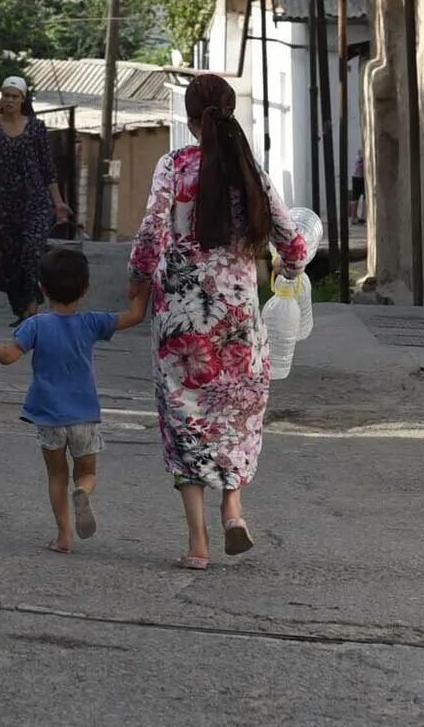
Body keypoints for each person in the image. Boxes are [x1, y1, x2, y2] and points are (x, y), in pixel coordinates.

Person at [127, 73, 308, 570]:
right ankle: (233, 509)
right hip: (238, 324)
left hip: (180, 325)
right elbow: (292, 244)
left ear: (188, 118)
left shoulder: (174, 166)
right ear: (230, 113)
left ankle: (198, 544)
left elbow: (149, 235)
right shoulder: (249, 171)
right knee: (236, 416)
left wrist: (138, 283)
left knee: (184, 421)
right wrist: (291, 271)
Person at [0, 245, 143, 554]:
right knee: (87, 472)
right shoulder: (92, 323)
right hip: (84, 417)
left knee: (56, 476)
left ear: (41, 289)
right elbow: (135, 315)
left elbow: (7, 357)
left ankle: (64, 537)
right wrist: (143, 285)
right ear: (86, 288)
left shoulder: (35, 325)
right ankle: (84, 491)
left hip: (49, 416)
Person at [0, 76, 71, 323]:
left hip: (36, 204)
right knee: (9, 263)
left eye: (15, 96)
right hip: (6, 208)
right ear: (0, 98)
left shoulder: (36, 128)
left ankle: (33, 305)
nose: (10, 100)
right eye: (6, 95)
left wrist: (58, 203)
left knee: (31, 252)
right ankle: (22, 310)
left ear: (23, 100)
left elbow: (48, 169)